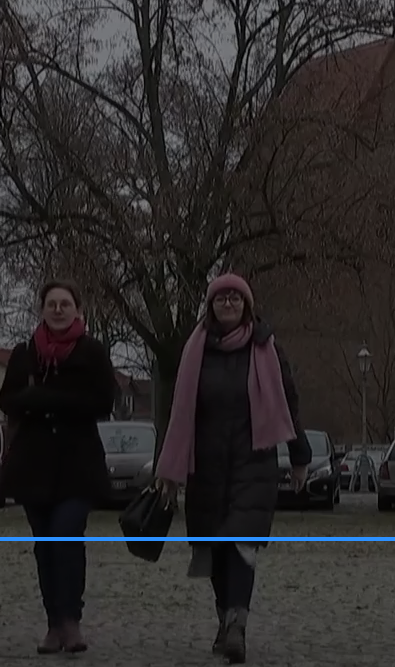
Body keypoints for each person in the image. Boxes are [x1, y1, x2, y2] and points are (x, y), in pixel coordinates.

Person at [153, 273, 311, 665]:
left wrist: (300, 455)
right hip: (204, 464)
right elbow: (178, 412)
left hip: (253, 461)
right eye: (221, 298)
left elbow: (287, 402)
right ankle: (225, 616)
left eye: (235, 298)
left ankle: (238, 623)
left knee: (242, 543)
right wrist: (169, 468)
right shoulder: (195, 351)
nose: (228, 303)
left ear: (247, 305)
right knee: (215, 547)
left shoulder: (266, 348)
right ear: (210, 305)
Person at [0, 280, 118, 654]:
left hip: (77, 463)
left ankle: (72, 622)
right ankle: (53, 623)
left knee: (66, 536)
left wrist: (48, 399)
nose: (59, 309)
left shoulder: (92, 352)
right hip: (34, 463)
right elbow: (9, 400)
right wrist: (33, 400)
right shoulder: (26, 352)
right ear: (42, 309)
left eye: (66, 303)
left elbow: (102, 402)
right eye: (52, 304)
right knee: (45, 545)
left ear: (77, 310)